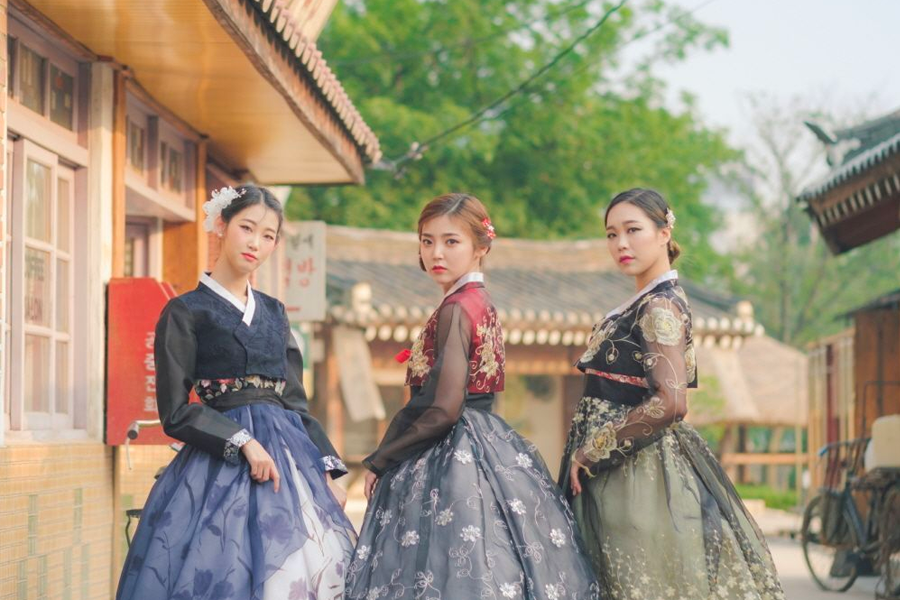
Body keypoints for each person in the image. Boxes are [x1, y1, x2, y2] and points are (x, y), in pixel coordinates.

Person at [344, 193, 599, 600]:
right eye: (427, 241)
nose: (435, 253)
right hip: (487, 442)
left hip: (452, 449)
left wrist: (382, 459)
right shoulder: (479, 302)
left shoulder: (457, 308)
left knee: (441, 573)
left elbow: (443, 408)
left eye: (451, 241)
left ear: (481, 247)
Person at [116, 184, 354, 600]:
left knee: (297, 571)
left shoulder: (276, 313)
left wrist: (328, 470)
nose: (256, 243)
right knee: (220, 569)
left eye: (268, 236)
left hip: (287, 459)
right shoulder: (186, 311)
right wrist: (242, 442)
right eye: (247, 228)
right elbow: (175, 412)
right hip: (218, 462)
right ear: (221, 227)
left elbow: (294, 401)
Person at [560, 188, 785, 599]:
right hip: (623, 468)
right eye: (611, 234)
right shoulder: (642, 301)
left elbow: (670, 402)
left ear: (664, 233)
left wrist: (592, 451)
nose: (621, 244)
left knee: (637, 583)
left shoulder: (659, 306)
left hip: (634, 475)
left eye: (633, 230)